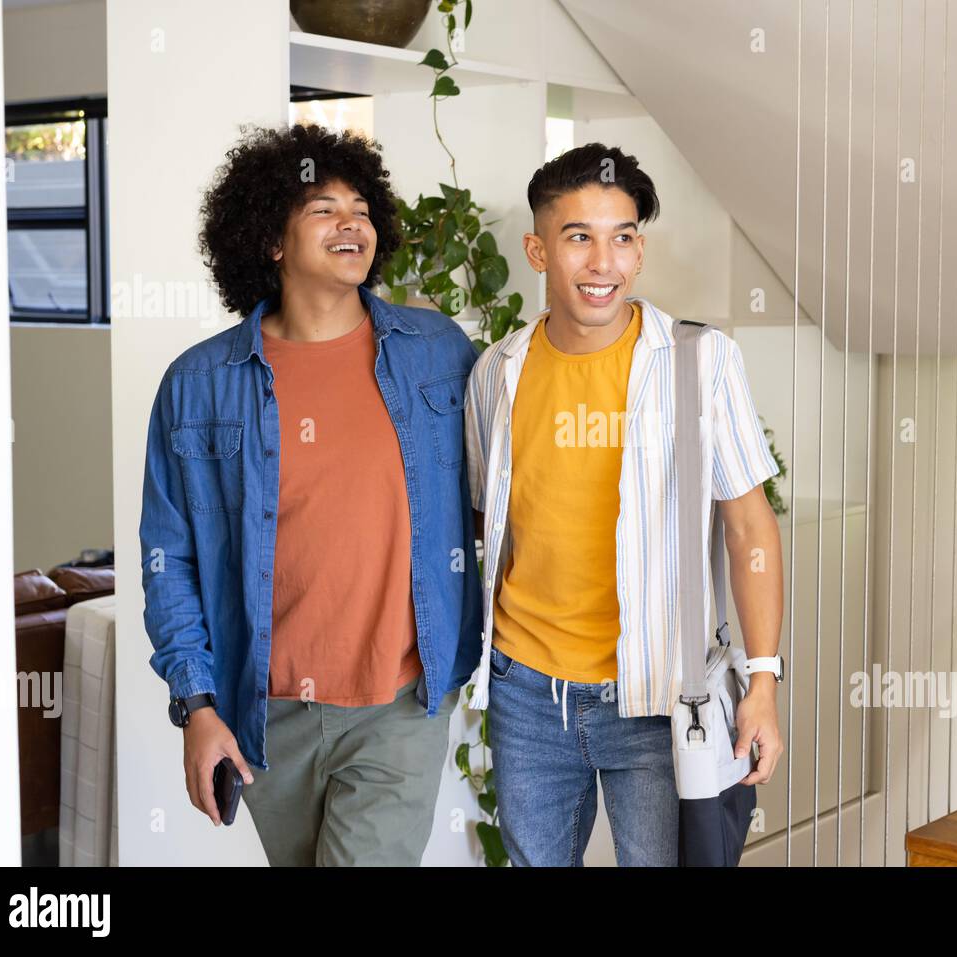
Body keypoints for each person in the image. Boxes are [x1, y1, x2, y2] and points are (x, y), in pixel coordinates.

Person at [139, 123, 482, 866]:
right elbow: (170, 559)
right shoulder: (198, 385)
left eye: (361, 207)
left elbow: (513, 478)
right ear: (270, 240)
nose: (351, 222)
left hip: (398, 704)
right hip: (267, 713)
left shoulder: (438, 352)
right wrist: (197, 706)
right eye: (324, 208)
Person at [464, 142, 786, 866]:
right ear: (538, 249)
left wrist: (762, 680)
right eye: (579, 237)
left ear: (639, 251)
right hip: (527, 693)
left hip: (659, 693)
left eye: (623, 237)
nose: (602, 262)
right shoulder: (497, 373)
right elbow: (491, 517)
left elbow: (749, 526)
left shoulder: (701, 362)